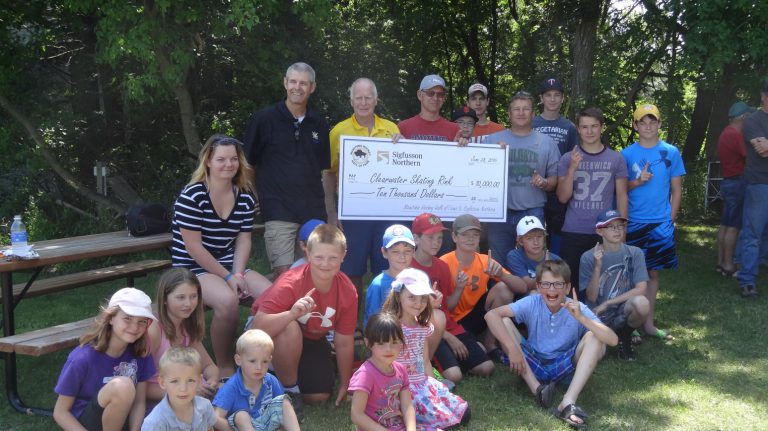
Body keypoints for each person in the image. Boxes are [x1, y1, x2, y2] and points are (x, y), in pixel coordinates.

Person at [171, 134, 272, 376]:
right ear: (208, 161)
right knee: (227, 301)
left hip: (228, 263)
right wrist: (228, 278)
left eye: (233, 159)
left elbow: (244, 240)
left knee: (272, 296)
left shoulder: (245, 196)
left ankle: (258, 355)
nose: (228, 164)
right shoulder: (192, 196)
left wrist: (238, 274)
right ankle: (224, 367)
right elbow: (194, 248)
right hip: (191, 266)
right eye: (221, 159)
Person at [484, 260, 617, 429]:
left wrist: (581, 318)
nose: (552, 289)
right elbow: (491, 315)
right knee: (504, 321)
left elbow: (613, 340)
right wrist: (512, 349)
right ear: (539, 287)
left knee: (595, 337)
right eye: (546, 284)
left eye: (558, 284)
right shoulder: (532, 302)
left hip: (565, 367)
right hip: (533, 364)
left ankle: (567, 402)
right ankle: (538, 390)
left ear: (567, 288)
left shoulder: (578, 308)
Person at [250, 224, 357, 410]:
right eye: (319, 257)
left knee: (319, 396)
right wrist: (292, 314)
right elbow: (257, 328)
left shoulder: (348, 291)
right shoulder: (291, 282)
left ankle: (279, 375)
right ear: (308, 253)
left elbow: (344, 341)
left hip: (311, 337)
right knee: (289, 327)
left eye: (333, 258)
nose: (325, 264)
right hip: (269, 334)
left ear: (343, 256)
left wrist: (345, 384)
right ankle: (290, 390)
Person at [243, 62, 331, 277]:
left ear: (312, 87)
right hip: (278, 210)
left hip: (313, 212)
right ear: (285, 83)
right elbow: (247, 164)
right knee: (284, 277)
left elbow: (324, 171)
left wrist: (330, 212)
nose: (297, 87)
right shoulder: (264, 119)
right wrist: (257, 196)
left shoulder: (319, 124)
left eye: (303, 83)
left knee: (316, 273)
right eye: (293, 81)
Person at [324, 78, 401, 293]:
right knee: (351, 269)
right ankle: (353, 314)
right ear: (351, 101)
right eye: (359, 98)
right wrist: (332, 213)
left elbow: (403, 168)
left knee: (386, 267)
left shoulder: (391, 129)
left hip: (386, 210)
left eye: (368, 98)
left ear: (376, 100)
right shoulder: (338, 131)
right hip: (352, 211)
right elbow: (328, 173)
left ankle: (383, 313)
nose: (363, 103)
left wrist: (403, 147)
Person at [622, 104, 685, 339]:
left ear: (659, 124)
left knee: (653, 275)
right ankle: (630, 325)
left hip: (660, 224)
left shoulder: (671, 152)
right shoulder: (626, 154)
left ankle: (648, 324)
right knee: (631, 276)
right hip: (633, 222)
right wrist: (637, 181)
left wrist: (670, 220)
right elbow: (620, 189)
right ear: (635, 125)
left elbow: (677, 190)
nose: (648, 126)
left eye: (652, 122)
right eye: (643, 122)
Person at [53, 288, 156, 431]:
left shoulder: (141, 353)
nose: (134, 327)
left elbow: (139, 402)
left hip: (123, 418)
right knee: (122, 386)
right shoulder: (82, 358)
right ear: (111, 318)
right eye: (127, 318)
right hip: (87, 423)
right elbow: (60, 412)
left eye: (142, 321)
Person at [380, 268, 470, 430]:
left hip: (421, 383)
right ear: (398, 296)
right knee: (445, 421)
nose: (418, 303)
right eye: (412, 297)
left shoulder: (422, 327)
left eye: (423, 298)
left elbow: (425, 360)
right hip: (400, 387)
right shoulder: (391, 328)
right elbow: (384, 363)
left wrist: (432, 387)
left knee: (463, 413)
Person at [410, 213, 494, 384]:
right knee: (454, 376)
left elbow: (448, 307)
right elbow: (411, 315)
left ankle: (451, 359)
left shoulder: (442, 266)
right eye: (430, 237)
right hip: (426, 331)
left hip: (449, 326)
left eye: (440, 238)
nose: (436, 242)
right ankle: (431, 364)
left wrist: (459, 288)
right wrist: (448, 337)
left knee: (487, 367)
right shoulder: (408, 267)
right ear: (416, 239)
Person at [557, 107, 628, 292]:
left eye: (594, 126)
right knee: (570, 284)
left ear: (601, 127)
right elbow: (562, 197)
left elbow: (622, 194)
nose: (589, 131)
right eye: (584, 127)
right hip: (574, 229)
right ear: (578, 129)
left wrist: (622, 229)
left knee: (604, 284)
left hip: (604, 230)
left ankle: (600, 312)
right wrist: (572, 168)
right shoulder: (567, 158)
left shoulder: (616, 159)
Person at [485, 91, 561, 261]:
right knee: (498, 263)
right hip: (499, 212)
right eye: (516, 109)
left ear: (533, 114)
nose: (521, 113)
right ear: (509, 114)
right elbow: (478, 175)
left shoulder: (547, 142)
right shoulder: (492, 141)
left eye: (526, 109)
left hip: (532, 210)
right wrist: (493, 155)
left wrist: (544, 182)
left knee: (533, 262)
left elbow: (554, 181)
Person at [440, 214, 527, 351]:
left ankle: (490, 343)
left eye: (475, 235)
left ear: (480, 238)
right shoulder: (444, 263)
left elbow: (522, 287)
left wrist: (501, 274)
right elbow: (442, 307)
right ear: (454, 237)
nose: (471, 239)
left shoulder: (485, 260)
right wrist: (458, 288)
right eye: (465, 235)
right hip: (452, 320)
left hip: (478, 315)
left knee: (504, 289)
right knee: (477, 352)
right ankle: (474, 343)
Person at [363, 224, 445, 360]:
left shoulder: (419, 277)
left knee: (439, 316)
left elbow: (423, 314)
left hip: (414, 332)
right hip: (387, 340)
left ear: (414, 251)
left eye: (407, 251)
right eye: (395, 251)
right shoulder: (378, 284)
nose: (402, 256)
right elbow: (373, 323)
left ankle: (423, 362)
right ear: (384, 252)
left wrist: (433, 305)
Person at [580, 210, 650, 361]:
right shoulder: (588, 257)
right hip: (597, 315)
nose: (617, 230)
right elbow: (591, 297)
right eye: (611, 227)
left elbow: (641, 289)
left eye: (620, 226)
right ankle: (607, 336)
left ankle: (625, 336)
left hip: (622, 310)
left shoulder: (635, 253)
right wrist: (597, 266)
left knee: (642, 303)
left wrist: (608, 303)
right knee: (598, 354)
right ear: (600, 231)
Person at [147, 268, 220, 402]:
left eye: (193, 296)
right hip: (164, 400)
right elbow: (140, 384)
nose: (188, 304)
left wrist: (212, 381)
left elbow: (209, 366)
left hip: (193, 393)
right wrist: (187, 392)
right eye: (181, 297)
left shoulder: (186, 326)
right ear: (165, 299)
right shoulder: (154, 329)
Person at [212, 330, 300, 431]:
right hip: (243, 428)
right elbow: (216, 418)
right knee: (241, 415)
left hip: (265, 423)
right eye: (252, 361)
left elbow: (280, 410)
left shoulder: (271, 381)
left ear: (270, 360)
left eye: (264, 361)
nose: (259, 367)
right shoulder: (231, 386)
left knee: (284, 402)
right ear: (238, 360)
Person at [533, 77, 579, 256]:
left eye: (557, 95)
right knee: (533, 234)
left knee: (557, 234)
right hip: (533, 188)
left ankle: (556, 268)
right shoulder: (532, 124)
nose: (552, 99)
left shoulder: (569, 127)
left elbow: (573, 159)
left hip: (559, 191)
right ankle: (532, 269)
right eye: (548, 95)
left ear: (562, 98)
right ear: (541, 98)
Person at [349, 313, 417, 431]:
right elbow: (357, 415)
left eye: (394, 342)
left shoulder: (401, 370)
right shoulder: (365, 374)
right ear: (368, 343)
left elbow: (407, 406)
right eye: (381, 343)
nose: (388, 349)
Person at [142, 347, 227, 431]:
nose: (183, 389)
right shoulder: (154, 423)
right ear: (162, 383)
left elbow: (212, 427)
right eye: (175, 381)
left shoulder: (205, 406)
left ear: (199, 381)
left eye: (190, 380)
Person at [738, 80, 768, 298]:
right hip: (759, 184)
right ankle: (747, 280)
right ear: (764, 96)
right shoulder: (753, 120)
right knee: (753, 233)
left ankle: (760, 264)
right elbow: (762, 150)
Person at [716, 101, 753, 277]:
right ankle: (728, 265)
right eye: (748, 116)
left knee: (725, 224)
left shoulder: (725, 132)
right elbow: (749, 156)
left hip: (728, 182)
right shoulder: (735, 134)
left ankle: (720, 262)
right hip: (737, 183)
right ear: (743, 117)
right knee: (734, 226)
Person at [505, 216, 561, 292]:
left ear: (544, 237)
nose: (536, 242)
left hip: (549, 295)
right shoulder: (514, 256)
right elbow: (528, 285)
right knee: (534, 293)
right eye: (529, 238)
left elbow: (561, 287)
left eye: (539, 237)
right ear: (520, 241)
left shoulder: (556, 260)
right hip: (522, 296)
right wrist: (545, 271)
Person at [398, 74, 461, 142]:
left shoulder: (455, 130)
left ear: (444, 98)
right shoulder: (403, 127)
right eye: (430, 93)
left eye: (440, 94)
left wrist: (461, 145)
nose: (435, 98)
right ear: (419, 95)